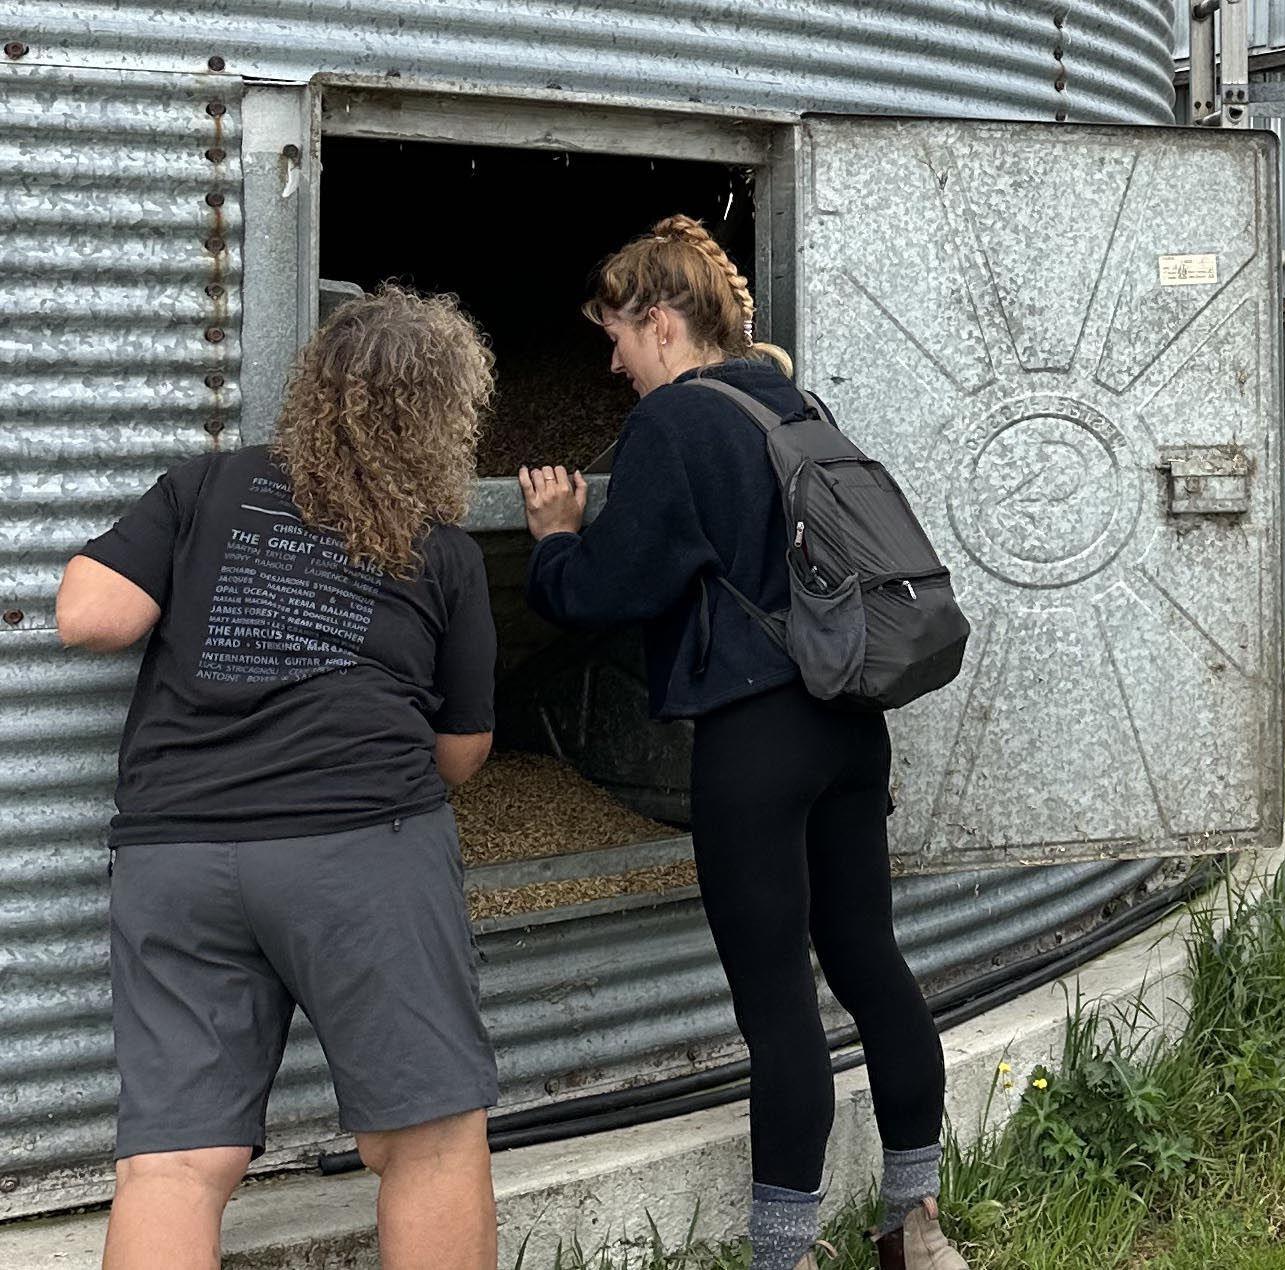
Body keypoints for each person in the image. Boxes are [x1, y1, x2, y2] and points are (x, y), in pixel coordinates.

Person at [514, 217, 964, 1270]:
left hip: (755, 741)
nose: (613, 361)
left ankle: (784, 1255)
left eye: (616, 336)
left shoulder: (675, 422)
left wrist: (551, 541)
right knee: (873, 966)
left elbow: (605, 592)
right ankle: (916, 1226)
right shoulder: (795, 404)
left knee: (777, 1005)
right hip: (851, 727)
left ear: (660, 321)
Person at [60, 288, 502, 1269]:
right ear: (444, 416)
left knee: (172, 1163)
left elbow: (89, 616)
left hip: (176, 858)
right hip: (357, 848)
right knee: (428, 1138)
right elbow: (461, 755)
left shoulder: (202, 487)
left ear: (316, 391)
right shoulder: (441, 549)